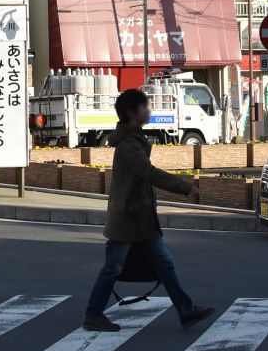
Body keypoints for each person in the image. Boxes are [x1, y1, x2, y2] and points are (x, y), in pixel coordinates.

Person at [82, 89, 214, 332]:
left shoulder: (134, 140)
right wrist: (184, 187)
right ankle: (93, 314)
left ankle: (186, 310)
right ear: (133, 113)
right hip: (128, 218)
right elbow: (149, 173)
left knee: (164, 264)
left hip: (141, 218)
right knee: (113, 268)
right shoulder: (129, 146)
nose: (149, 111)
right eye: (145, 107)